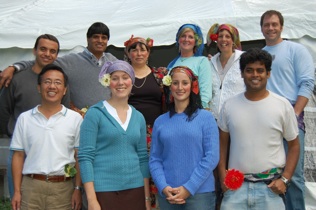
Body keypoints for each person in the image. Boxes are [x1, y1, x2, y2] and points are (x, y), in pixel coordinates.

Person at [218, 48, 300, 210]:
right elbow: (222, 145)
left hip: (271, 190)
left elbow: (294, 146)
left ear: (268, 73)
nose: (255, 75)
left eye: (260, 70)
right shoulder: (229, 105)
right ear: (242, 73)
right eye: (249, 70)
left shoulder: (282, 105)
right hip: (235, 189)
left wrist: (285, 179)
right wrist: (222, 177)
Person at [0, 34, 70, 199]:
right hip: (21, 150)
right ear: (34, 51)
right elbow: (3, 110)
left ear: (56, 55)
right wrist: (11, 131)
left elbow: (65, 109)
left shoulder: (60, 79)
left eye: (52, 51)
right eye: (43, 49)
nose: (47, 54)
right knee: (19, 198)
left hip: (52, 148)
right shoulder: (17, 79)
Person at [78, 60, 150, 210]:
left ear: (132, 81)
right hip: (104, 191)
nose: (120, 83)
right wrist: (91, 200)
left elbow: (143, 158)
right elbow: (85, 157)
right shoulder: (95, 114)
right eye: (115, 78)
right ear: (107, 82)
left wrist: (147, 198)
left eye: (125, 77)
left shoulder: (139, 117)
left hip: (135, 191)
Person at [260, 10, 314, 210]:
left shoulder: (295, 50)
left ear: (281, 26)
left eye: (274, 24)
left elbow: (307, 83)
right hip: (265, 120)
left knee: (293, 176)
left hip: (290, 116)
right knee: (268, 174)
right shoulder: (260, 55)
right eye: (267, 25)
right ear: (262, 28)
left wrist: (295, 113)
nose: (271, 28)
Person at [10, 64, 83, 210]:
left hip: (63, 190)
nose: (52, 87)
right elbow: (18, 156)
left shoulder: (75, 119)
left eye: (58, 83)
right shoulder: (25, 118)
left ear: (64, 90)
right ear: (39, 87)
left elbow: (78, 157)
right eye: (47, 82)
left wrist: (77, 189)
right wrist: (17, 191)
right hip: (30, 188)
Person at [0, 22, 117, 111]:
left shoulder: (112, 60)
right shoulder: (71, 61)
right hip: (81, 120)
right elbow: (41, 62)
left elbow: (128, 73)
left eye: (104, 38)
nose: (100, 41)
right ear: (88, 39)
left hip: (108, 119)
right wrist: (14, 67)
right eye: (96, 37)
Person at [149, 66, 219, 210]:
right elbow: (155, 159)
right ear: (170, 86)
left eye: (185, 83)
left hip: (200, 195)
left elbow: (212, 156)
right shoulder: (160, 121)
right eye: (175, 83)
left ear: (192, 86)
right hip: (168, 195)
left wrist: (189, 187)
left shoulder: (206, 118)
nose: (180, 87)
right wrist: (163, 186)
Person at [124, 35, 167, 208]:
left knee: (156, 172)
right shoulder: (122, 76)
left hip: (156, 132)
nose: (139, 53)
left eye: (143, 49)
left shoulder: (160, 75)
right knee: (134, 172)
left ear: (149, 52)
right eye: (134, 49)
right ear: (128, 53)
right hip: (131, 133)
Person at [167, 23, 212, 109]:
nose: (186, 39)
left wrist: (199, 112)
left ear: (196, 41)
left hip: (194, 111)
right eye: (183, 36)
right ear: (178, 39)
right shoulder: (172, 64)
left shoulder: (202, 61)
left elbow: (205, 93)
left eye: (190, 37)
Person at [206, 23, 244, 120]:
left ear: (233, 40)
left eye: (227, 36)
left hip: (237, 118)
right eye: (220, 36)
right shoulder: (210, 63)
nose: (223, 39)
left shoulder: (244, 59)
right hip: (214, 120)